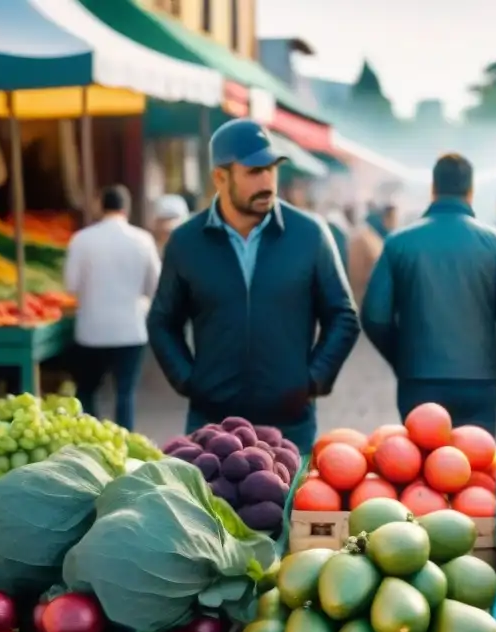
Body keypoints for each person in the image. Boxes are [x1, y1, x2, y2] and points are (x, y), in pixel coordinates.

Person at [147, 118, 360, 453]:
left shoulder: (310, 234)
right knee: (207, 507)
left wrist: (311, 380)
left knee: (285, 506)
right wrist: (189, 381)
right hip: (211, 427)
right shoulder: (186, 242)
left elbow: (343, 316)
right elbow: (161, 322)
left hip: (290, 425)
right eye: (254, 171)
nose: (267, 181)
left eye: (271, 169)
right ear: (220, 177)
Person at [360, 153, 496, 436]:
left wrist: (403, 358)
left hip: (418, 380)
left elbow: (374, 317)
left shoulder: (398, 242)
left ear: (433, 188)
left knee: (420, 472)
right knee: (475, 471)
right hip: (478, 382)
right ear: (471, 190)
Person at [64, 185, 161, 430]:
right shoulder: (143, 240)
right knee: (125, 393)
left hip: (91, 331)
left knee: (86, 391)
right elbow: (155, 287)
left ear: (100, 207)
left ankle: (90, 444)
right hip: (131, 329)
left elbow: (70, 285)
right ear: (125, 209)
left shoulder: (81, 240)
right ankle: (124, 445)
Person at [348, 203, 397, 305]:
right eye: (393, 219)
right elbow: (356, 275)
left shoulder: (378, 238)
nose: (395, 223)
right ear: (385, 218)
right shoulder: (365, 238)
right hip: (362, 300)